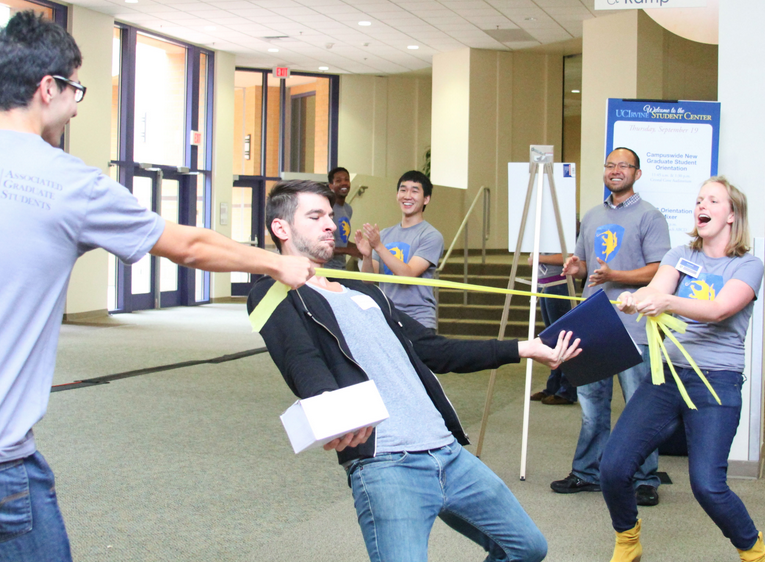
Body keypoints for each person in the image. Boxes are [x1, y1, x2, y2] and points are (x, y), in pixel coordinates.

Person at [0, 11, 315, 562]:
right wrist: (277, 264)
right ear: (48, 89)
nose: (78, 104)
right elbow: (188, 245)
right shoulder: (67, 182)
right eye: (75, 89)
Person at [248, 180, 582, 562]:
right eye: (315, 216)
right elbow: (300, 359)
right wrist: (333, 413)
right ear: (281, 228)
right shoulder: (271, 292)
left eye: (329, 215)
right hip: (387, 463)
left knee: (526, 547)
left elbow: (430, 348)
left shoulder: (359, 286)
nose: (330, 224)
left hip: (447, 451)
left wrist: (524, 348)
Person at [604, 177, 765, 562]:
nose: (702, 206)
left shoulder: (748, 265)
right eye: (698, 200)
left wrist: (665, 302)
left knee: (708, 486)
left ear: (732, 215)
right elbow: (655, 290)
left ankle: (753, 550)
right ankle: (628, 539)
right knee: (613, 468)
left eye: (713, 200)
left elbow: (718, 310)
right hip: (666, 377)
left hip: (716, 382)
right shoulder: (681, 255)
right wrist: (634, 298)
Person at [551, 147, 670, 507]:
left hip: (634, 327)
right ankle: (587, 473)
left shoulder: (651, 217)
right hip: (593, 323)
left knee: (639, 408)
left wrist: (615, 276)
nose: (616, 171)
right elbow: (587, 265)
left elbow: (659, 269)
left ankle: (645, 478)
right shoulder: (591, 215)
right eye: (610, 165)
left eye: (624, 166)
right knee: (592, 407)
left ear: (637, 173)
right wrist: (576, 268)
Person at [357, 169, 443, 329]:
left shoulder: (431, 236)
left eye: (414, 191)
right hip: (388, 316)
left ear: (426, 199)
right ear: (397, 195)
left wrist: (379, 247)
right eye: (403, 190)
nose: (407, 196)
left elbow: (407, 274)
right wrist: (367, 256)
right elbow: (368, 280)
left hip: (419, 319)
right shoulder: (384, 234)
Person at [529, 253, 576, 405]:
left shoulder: (563, 230)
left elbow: (569, 255)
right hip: (545, 283)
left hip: (559, 283)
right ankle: (553, 387)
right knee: (552, 340)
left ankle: (566, 390)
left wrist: (539, 258)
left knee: (562, 338)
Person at [323, 166, 360, 270]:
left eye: (346, 180)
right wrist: (348, 251)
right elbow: (321, 244)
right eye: (338, 180)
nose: (344, 183)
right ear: (331, 186)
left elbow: (341, 240)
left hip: (341, 269)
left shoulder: (348, 209)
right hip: (325, 270)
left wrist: (359, 247)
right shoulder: (326, 208)